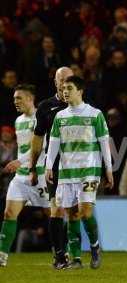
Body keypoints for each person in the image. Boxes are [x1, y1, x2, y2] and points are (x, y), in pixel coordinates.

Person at [45, 75, 113, 269]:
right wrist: (49, 166)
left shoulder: (94, 114)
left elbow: (103, 142)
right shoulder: (60, 117)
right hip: (67, 172)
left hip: (89, 170)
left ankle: (94, 247)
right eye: (64, 88)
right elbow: (53, 144)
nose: (65, 91)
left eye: (70, 88)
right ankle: (75, 259)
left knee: (85, 212)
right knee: (71, 214)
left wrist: (109, 169)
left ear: (80, 91)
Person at [0, 84, 49, 267]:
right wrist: (19, 163)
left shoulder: (41, 118)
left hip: (40, 175)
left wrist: (20, 161)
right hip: (21, 177)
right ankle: (2, 255)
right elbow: (23, 148)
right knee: (9, 213)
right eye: (14, 99)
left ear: (30, 98)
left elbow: (42, 147)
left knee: (53, 216)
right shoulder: (18, 121)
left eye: (19, 98)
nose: (15, 102)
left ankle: (62, 251)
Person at [30, 66, 73, 269]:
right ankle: (59, 256)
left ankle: (75, 253)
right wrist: (32, 167)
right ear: (55, 82)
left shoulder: (83, 106)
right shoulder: (46, 107)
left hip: (79, 164)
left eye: (69, 79)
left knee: (76, 211)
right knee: (56, 209)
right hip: (55, 165)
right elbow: (37, 139)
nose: (65, 83)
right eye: (62, 79)